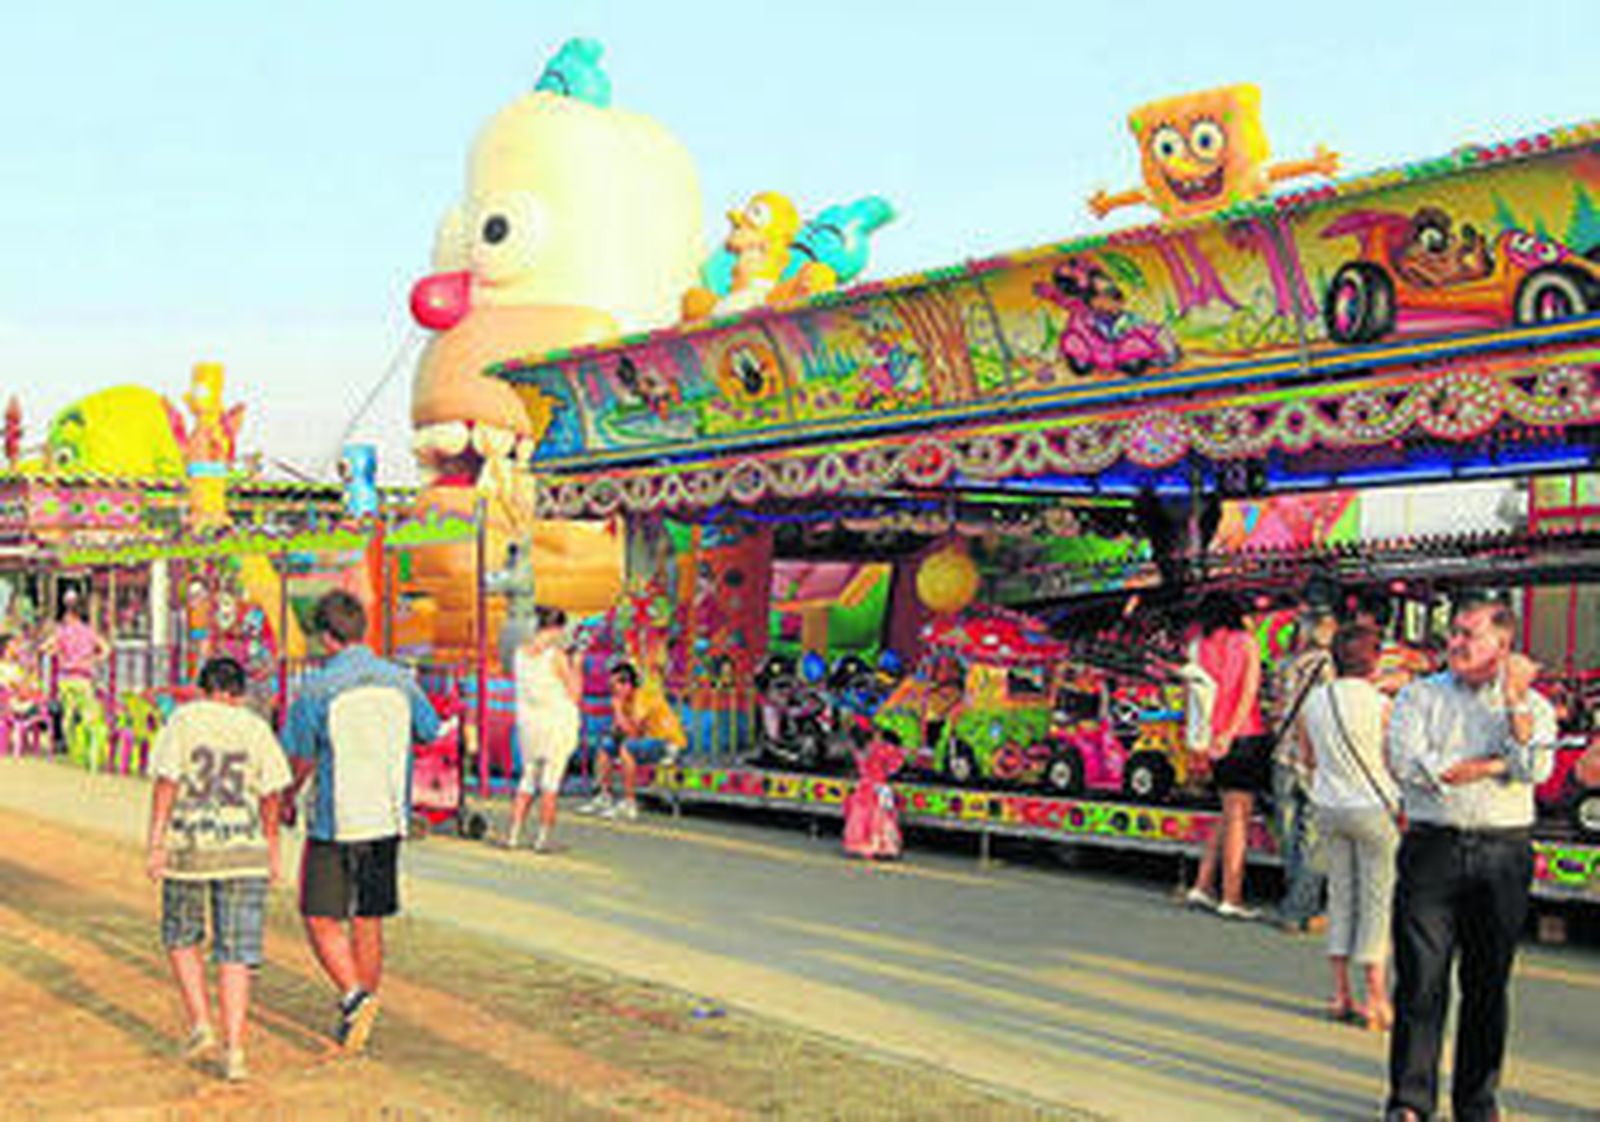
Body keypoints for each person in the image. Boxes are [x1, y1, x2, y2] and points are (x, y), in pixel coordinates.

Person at [1383, 597, 1556, 1122]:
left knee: (1487, 986)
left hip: (1502, 853)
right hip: (1432, 848)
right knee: (1421, 981)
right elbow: (1407, 762)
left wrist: (1516, 705)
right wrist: (1492, 765)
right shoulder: (1420, 695)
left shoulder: (1534, 707)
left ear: (1503, 646)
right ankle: (1410, 1103)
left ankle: (1476, 1103)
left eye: (1469, 635)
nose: (1456, 643)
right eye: (1454, 633)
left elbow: (1536, 768)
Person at [282, 591, 442, 1055]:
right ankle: (360, 1010)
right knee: (368, 918)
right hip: (387, 814)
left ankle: (355, 996)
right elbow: (429, 731)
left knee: (318, 913)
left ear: (326, 638)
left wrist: (288, 797)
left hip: (337, 817)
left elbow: (300, 757)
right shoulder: (401, 681)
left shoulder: (316, 688)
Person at [145, 657, 291, 1082]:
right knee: (236, 951)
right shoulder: (255, 728)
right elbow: (272, 795)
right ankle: (235, 1049)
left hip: (190, 848)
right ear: (240, 693)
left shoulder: (185, 720)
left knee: (180, 934)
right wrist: (272, 849)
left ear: (202, 688)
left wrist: (156, 842)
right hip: (244, 849)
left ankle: (200, 1023)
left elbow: (166, 783)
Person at [1295, 624, 1398, 1031]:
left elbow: (1308, 758)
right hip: (1373, 808)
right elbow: (1393, 761)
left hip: (1329, 807)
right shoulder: (1381, 705)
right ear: (1373, 660)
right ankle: (1376, 998)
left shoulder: (1315, 702)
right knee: (1377, 902)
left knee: (1340, 897)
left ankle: (1340, 993)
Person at [1184, 591, 1269, 920]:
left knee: (1226, 812)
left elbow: (1193, 700)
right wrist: (1230, 733)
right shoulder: (1246, 642)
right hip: (1244, 736)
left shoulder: (1196, 647)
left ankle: (1203, 884)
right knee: (1238, 818)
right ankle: (1232, 896)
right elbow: (1249, 692)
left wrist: (1204, 742)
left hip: (1210, 739)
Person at [1271, 606, 1338, 934]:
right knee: (1311, 838)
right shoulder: (1327, 665)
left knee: (1287, 835)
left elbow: (1277, 708)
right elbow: (1319, 711)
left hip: (1281, 754)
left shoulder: (1285, 664)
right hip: (1312, 759)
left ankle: (1297, 901)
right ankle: (1298, 909)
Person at [504, 606, 583, 852]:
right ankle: (543, 837)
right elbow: (575, 693)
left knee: (528, 778)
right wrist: (577, 665)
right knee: (551, 781)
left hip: (529, 725)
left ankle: (514, 834)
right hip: (556, 724)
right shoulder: (556, 656)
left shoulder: (519, 654)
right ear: (557, 629)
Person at [577, 661, 686, 821]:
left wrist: (618, 709)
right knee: (606, 746)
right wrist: (614, 729)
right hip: (646, 740)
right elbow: (620, 730)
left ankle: (630, 803)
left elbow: (633, 731)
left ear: (628, 684)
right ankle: (604, 796)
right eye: (611, 686)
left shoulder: (644, 697)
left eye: (616, 686)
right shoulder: (624, 700)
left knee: (627, 748)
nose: (613, 690)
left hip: (667, 743)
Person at [842, 730, 906, 860]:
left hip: (863, 787)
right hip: (879, 786)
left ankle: (860, 845)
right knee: (881, 817)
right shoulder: (882, 749)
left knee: (861, 817)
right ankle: (882, 847)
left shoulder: (859, 751)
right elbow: (897, 764)